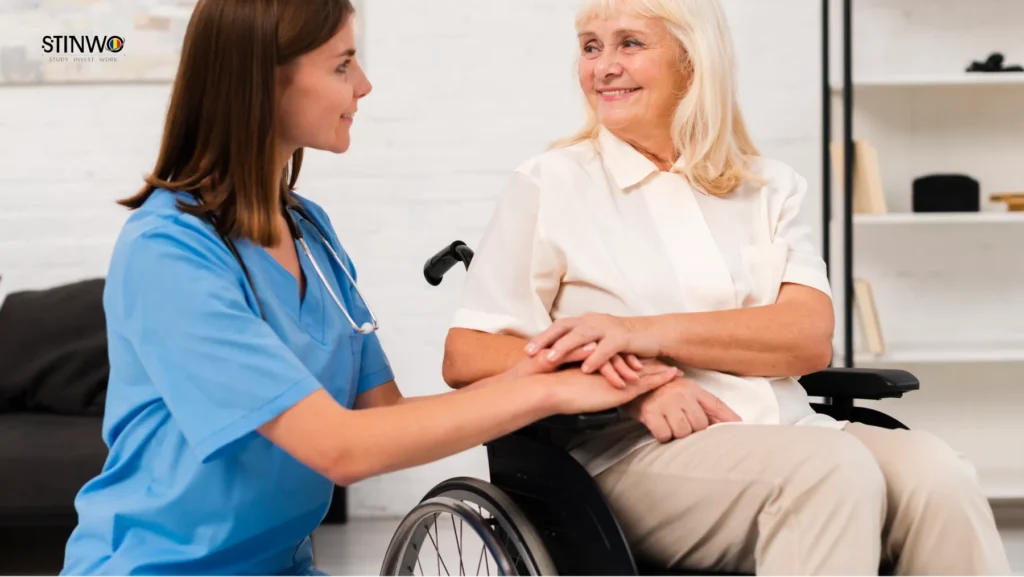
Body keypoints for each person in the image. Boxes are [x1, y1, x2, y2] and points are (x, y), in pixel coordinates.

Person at [58, 1, 683, 575]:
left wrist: (536, 372)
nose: (363, 85)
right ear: (264, 79)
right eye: (342, 65)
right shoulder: (168, 251)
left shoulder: (308, 231)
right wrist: (547, 394)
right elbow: (340, 449)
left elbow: (381, 417)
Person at [441, 0, 1011, 574]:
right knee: (829, 471)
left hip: (794, 431)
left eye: (630, 43)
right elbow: (469, 353)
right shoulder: (552, 183)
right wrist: (635, 385)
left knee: (939, 476)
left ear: (693, 60)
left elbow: (806, 340)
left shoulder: (768, 187)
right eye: (591, 47)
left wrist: (636, 333)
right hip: (631, 453)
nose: (604, 66)